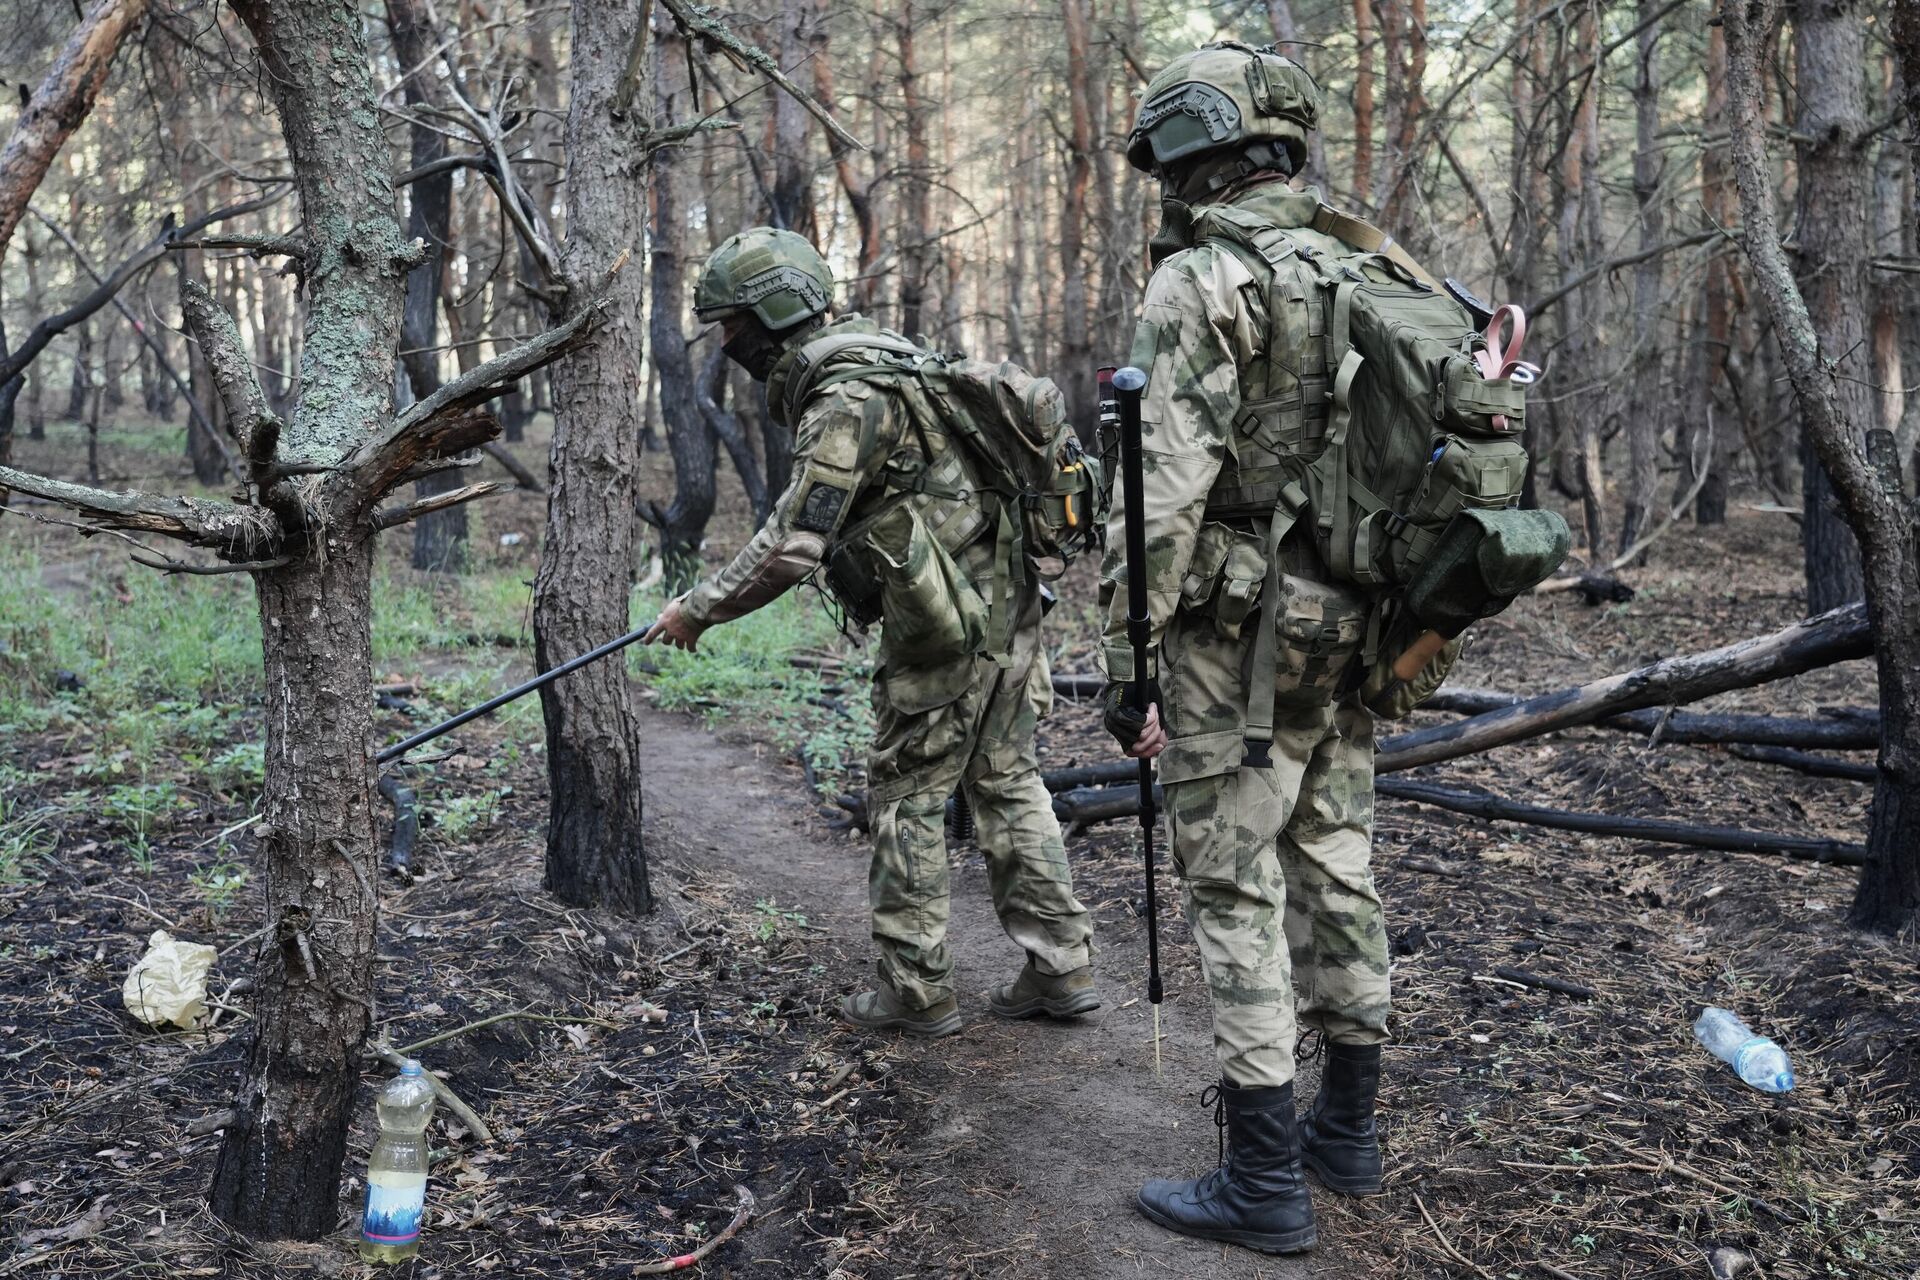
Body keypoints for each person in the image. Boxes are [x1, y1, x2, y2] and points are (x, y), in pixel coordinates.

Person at [644, 227, 1098, 1037]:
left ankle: (915, 992)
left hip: (947, 622)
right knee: (1006, 780)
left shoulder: (846, 399)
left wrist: (698, 608)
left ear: (769, 314)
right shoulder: (889, 357)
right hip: (1006, 604)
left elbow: (792, 540)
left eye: (732, 324)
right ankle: (1060, 970)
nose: (725, 343)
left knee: (907, 796)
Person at [1100, 43, 1398, 1255]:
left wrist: (1128, 655)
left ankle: (1263, 1180)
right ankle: (1348, 1132)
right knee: (1334, 847)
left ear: (1189, 155)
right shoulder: (1364, 263)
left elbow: (1162, 490)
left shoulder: (1203, 280)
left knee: (1233, 874)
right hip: (1358, 612)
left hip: (1239, 622)